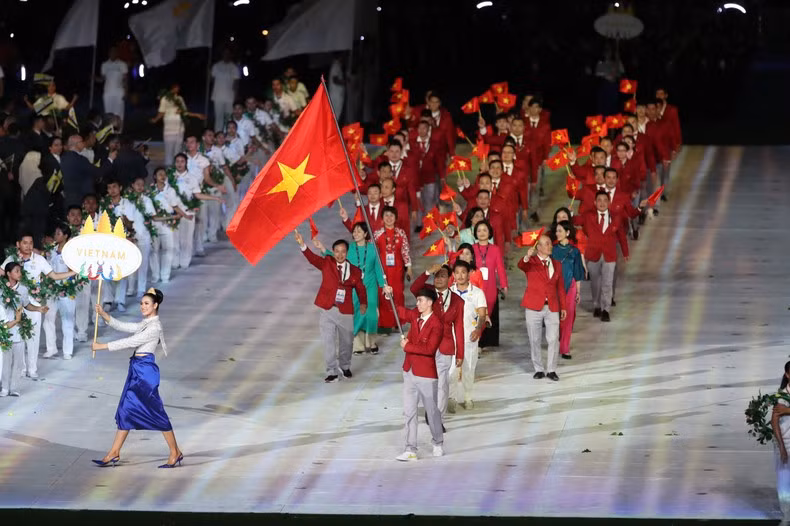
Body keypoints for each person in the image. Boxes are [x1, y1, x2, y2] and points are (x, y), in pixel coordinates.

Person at [91, 289, 184, 468]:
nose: (142, 306)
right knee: (126, 410)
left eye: (146, 303)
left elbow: (130, 342)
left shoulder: (154, 327)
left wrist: (102, 347)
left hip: (145, 373)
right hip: (137, 369)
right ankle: (114, 452)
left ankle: (175, 452)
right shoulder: (145, 323)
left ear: (155, 305)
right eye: (141, 303)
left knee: (156, 412)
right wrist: (104, 314)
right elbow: (125, 327)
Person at [295, 230, 366, 383]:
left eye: (343, 252)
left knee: (347, 342)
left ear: (347, 253)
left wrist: (363, 303)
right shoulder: (327, 263)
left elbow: (361, 289)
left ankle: (345, 366)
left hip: (345, 312)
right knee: (328, 342)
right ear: (333, 252)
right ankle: (332, 371)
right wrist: (302, 244)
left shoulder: (355, 271)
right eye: (337, 251)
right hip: (327, 309)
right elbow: (313, 259)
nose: (340, 255)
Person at [2, 233, 74, 379]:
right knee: (18, 337)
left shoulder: (39, 260)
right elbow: (2, 273)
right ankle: (21, 369)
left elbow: (53, 275)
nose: (28, 246)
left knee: (33, 337)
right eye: (25, 243)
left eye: (31, 243)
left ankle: (32, 368)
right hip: (16, 304)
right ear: (18, 244)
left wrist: (72, 272)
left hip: (34, 303)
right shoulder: (11, 259)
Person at [317, 222, 385, 355]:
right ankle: (358, 344)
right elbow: (337, 257)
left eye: (359, 231)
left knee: (371, 314)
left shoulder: (373, 248)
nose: (356, 233)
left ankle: (371, 342)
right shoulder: (350, 248)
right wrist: (324, 250)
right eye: (354, 231)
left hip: (370, 285)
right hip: (354, 286)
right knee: (357, 313)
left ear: (366, 234)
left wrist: (383, 285)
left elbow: (378, 267)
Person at [407, 263, 464, 418]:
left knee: (442, 383)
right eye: (436, 275)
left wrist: (460, 353)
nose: (438, 279)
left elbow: (459, 328)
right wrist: (427, 271)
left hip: (445, 346)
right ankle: (429, 409)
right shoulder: (427, 293)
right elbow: (413, 288)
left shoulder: (458, 301)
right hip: (425, 344)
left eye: (443, 276)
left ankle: (438, 417)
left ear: (450, 278)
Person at [394, 287, 444, 461]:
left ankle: (437, 441)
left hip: (426, 374)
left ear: (430, 302)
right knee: (409, 411)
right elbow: (400, 311)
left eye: (420, 300)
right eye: (417, 301)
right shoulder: (416, 316)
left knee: (431, 411)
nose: (417, 304)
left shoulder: (436, 324)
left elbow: (430, 349)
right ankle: (410, 448)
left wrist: (408, 347)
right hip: (409, 371)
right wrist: (389, 295)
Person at [573, 190, 628, 322]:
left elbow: (621, 235)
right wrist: (568, 214)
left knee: (607, 282)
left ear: (609, 203)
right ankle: (597, 305)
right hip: (593, 254)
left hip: (609, 254)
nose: (602, 203)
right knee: (595, 282)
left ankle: (605, 309)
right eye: (599, 200)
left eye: (605, 200)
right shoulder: (588, 216)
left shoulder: (615, 217)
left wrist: (625, 252)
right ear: (595, 202)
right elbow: (576, 220)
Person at [518, 235, 567, 381]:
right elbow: (522, 265)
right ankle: (538, 368)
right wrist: (527, 256)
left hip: (552, 306)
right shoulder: (531, 263)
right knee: (534, 339)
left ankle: (551, 370)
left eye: (550, 243)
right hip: (533, 306)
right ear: (538, 247)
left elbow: (560, 288)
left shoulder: (557, 264)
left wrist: (563, 306)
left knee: (553, 339)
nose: (550, 246)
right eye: (546, 244)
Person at [447, 260, 486, 410]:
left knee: (469, 368)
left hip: (470, 337)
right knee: (452, 370)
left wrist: (478, 330)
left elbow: (482, 314)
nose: (460, 275)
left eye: (463, 272)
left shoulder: (477, 293)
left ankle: (468, 397)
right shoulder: (449, 293)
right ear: (453, 275)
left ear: (469, 273)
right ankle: (452, 398)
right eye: (457, 272)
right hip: (452, 338)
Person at [1, 262, 43, 397]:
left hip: (18, 329)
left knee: (18, 360)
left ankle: (14, 387)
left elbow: (26, 305)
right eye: (16, 271)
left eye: (20, 271)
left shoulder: (23, 289)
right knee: (6, 360)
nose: (19, 274)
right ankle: (4, 388)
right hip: (5, 328)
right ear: (8, 273)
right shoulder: (1, 289)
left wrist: (38, 308)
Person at [42, 224, 81, 360]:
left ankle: (67, 351)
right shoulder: (51, 250)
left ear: (65, 236)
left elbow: (75, 271)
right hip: (52, 289)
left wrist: (66, 285)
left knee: (67, 320)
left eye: (59, 233)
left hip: (66, 289)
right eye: (55, 233)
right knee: (48, 319)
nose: (56, 235)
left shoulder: (72, 251)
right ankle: (51, 348)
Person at [373, 206, 412, 332]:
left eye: (391, 216)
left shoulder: (401, 233)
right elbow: (372, 251)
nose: (389, 218)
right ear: (382, 218)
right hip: (382, 269)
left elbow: (405, 251)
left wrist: (409, 268)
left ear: (396, 218)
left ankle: (398, 321)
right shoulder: (377, 234)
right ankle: (385, 323)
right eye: (386, 216)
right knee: (383, 294)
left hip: (397, 269)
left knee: (398, 293)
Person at [149, 167, 189, 284]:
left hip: (167, 223)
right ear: (155, 176)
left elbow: (175, 206)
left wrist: (184, 215)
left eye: (164, 174)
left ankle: (165, 275)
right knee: (154, 250)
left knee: (168, 249)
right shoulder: (150, 191)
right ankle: (155, 275)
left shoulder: (170, 191)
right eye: (160, 174)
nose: (162, 176)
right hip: (154, 224)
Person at [551, 221, 585, 359]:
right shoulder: (552, 249)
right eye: (557, 231)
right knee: (556, 316)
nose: (557, 233)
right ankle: (556, 342)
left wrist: (578, 291)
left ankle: (565, 347)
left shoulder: (574, 251)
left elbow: (577, 272)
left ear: (567, 233)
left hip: (570, 286)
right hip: (554, 287)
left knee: (569, 316)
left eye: (560, 231)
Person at [473, 221, 507, 349]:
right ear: (475, 233)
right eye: (479, 230)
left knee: (486, 316)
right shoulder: (472, 248)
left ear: (489, 233)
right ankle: (477, 343)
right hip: (475, 287)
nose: (482, 233)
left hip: (491, 287)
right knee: (477, 315)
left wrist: (504, 285)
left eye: (484, 230)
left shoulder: (495, 249)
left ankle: (479, 341)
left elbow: (500, 268)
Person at [151, 84, 205, 166]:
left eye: (178, 88)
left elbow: (185, 112)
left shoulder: (180, 99)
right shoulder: (165, 98)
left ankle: (177, 170)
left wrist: (197, 115)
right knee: (169, 151)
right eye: (175, 88)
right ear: (171, 88)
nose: (176, 90)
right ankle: (169, 170)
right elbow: (161, 112)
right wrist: (155, 119)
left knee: (178, 151)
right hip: (169, 129)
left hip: (179, 129)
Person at [771, 361, 790, 526]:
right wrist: (782, 447)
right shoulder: (781, 396)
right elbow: (774, 422)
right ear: (787, 375)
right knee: (784, 480)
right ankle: (786, 516)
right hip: (786, 443)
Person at [210, 49, 240, 128]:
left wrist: (235, 96)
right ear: (222, 54)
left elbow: (236, 83)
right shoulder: (216, 66)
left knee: (228, 118)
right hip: (218, 96)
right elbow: (212, 79)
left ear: (231, 55)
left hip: (229, 97)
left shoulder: (234, 67)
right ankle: (218, 134)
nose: (226, 55)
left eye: (228, 54)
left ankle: (227, 134)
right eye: (225, 53)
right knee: (218, 117)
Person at [99, 47, 129, 124]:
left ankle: (117, 132)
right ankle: (110, 131)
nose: (113, 54)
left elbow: (125, 79)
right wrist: (94, 78)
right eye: (111, 52)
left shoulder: (122, 64)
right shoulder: (104, 65)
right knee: (108, 113)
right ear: (108, 53)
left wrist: (126, 92)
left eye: (114, 52)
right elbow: (102, 79)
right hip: (107, 92)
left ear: (117, 53)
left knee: (118, 113)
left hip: (119, 92)